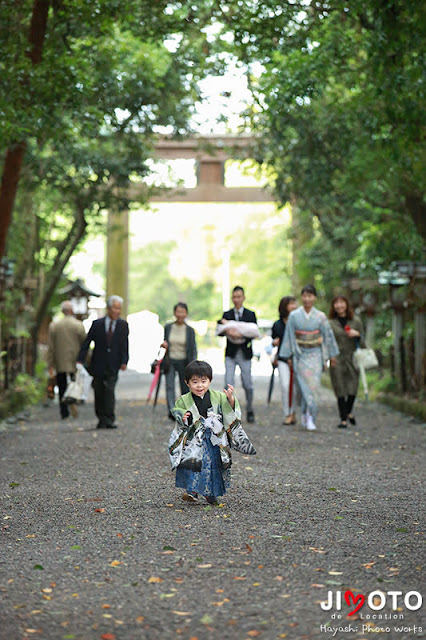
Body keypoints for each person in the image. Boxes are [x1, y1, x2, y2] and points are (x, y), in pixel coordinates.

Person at [168, 360, 256, 505]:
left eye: (203, 381)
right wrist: (182, 415)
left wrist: (231, 400)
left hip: (214, 437)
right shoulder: (183, 400)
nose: (199, 385)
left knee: (213, 465)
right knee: (193, 463)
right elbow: (177, 410)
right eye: (195, 382)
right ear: (187, 383)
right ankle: (192, 492)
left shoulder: (218, 397)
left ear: (210, 381)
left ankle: (211, 494)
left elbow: (230, 411)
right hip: (195, 439)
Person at [279, 284, 339, 431]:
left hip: (315, 355)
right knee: (303, 388)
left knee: (314, 387)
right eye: (305, 296)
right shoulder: (294, 316)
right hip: (300, 354)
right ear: (302, 297)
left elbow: (328, 336)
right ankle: (305, 414)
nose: (307, 299)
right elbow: (289, 336)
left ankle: (311, 415)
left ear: (314, 298)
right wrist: (289, 355)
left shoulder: (320, 316)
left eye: (310, 296)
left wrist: (331, 355)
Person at [77, 295, 129, 429]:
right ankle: (101, 418)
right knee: (99, 391)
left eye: (119, 308)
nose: (117, 311)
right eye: (115, 308)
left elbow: (124, 344)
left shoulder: (123, 325)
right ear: (108, 308)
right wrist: (80, 360)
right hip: (98, 363)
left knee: (110, 391)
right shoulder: (97, 324)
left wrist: (124, 360)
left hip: (114, 364)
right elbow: (87, 343)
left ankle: (110, 418)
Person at [220, 286, 258, 423]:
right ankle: (228, 411)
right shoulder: (227, 314)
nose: (236, 299)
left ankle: (249, 408)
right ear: (232, 298)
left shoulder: (250, 314)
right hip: (231, 353)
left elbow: (254, 332)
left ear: (243, 297)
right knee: (228, 382)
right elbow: (220, 330)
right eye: (234, 297)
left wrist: (237, 331)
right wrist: (229, 330)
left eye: (239, 296)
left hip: (245, 353)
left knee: (247, 383)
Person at [329, 295, 364, 428]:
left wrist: (357, 335)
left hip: (352, 357)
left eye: (341, 303)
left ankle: (348, 412)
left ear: (346, 304)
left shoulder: (356, 321)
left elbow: (363, 342)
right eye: (336, 303)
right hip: (337, 358)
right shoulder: (330, 323)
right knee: (339, 387)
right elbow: (327, 341)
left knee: (353, 387)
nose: (339, 306)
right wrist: (329, 356)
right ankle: (343, 419)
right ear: (333, 306)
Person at [47, 300, 86, 420]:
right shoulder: (78, 325)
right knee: (74, 383)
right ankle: (73, 401)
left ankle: (64, 412)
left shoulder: (54, 326)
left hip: (60, 360)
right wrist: (86, 358)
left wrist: (50, 363)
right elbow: (84, 343)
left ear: (62, 311)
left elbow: (51, 346)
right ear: (72, 310)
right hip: (75, 359)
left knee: (62, 385)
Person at [162, 302, 197, 420]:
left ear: (186, 313)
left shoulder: (190, 330)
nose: (180, 314)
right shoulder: (168, 327)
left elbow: (193, 348)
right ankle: (172, 411)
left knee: (185, 387)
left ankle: (184, 410)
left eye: (183, 311)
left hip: (184, 362)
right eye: (178, 311)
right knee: (170, 386)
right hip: (170, 360)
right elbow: (165, 341)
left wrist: (194, 365)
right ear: (174, 313)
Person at [272, 296, 298, 425]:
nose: (293, 306)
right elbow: (274, 341)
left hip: (299, 358)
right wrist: (274, 343)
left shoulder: (299, 322)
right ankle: (288, 413)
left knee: (297, 388)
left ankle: (296, 412)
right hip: (282, 359)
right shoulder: (277, 324)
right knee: (285, 385)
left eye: (294, 303)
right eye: (290, 304)